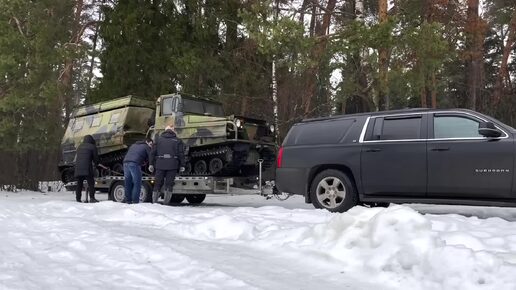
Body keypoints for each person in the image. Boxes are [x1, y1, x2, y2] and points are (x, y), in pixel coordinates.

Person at [149, 121, 185, 204]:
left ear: (165, 130)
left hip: (160, 164)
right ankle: (166, 203)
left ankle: (154, 202)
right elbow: (181, 154)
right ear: (173, 131)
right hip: (172, 165)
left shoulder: (158, 140)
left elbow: (152, 153)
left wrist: (151, 164)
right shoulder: (177, 140)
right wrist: (182, 165)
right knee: (169, 184)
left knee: (157, 183)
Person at [123, 138, 153, 204]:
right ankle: (135, 201)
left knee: (128, 183)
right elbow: (151, 156)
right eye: (151, 144)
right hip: (134, 164)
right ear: (147, 142)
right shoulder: (146, 146)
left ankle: (128, 200)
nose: (151, 146)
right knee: (137, 183)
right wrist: (151, 165)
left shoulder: (133, 145)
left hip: (125, 163)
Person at [74, 135, 100, 203]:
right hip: (87, 168)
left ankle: (78, 199)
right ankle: (92, 198)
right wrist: (97, 164)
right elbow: (96, 159)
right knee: (91, 183)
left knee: (79, 183)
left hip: (78, 168)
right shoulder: (92, 147)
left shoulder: (79, 147)